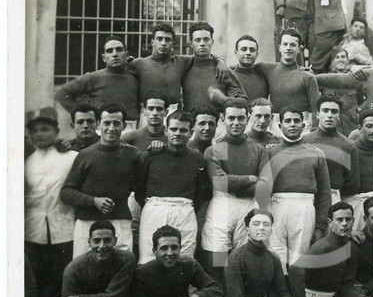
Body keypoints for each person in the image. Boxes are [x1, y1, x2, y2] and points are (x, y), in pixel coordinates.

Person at [200, 99, 272, 284]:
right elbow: (221, 183)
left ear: (248, 118)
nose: (236, 123)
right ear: (223, 119)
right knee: (217, 254)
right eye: (231, 118)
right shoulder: (216, 149)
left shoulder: (257, 150)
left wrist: (240, 188)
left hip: (248, 205)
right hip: (222, 204)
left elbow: (266, 185)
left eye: (241, 118)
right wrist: (251, 178)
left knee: (244, 255)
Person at [289, 201, 373, 297]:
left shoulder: (351, 247)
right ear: (330, 222)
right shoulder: (323, 247)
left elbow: (346, 286)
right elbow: (294, 270)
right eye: (339, 220)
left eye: (348, 219)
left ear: (353, 221)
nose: (344, 223)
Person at [60, 105, 138, 257]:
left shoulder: (133, 155)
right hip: (87, 223)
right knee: (85, 270)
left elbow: (141, 186)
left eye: (116, 123)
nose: (111, 128)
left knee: (122, 267)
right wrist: (93, 201)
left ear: (123, 126)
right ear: (99, 124)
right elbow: (66, 192)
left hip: (120, 222)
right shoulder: (84, 155)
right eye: (107, 123)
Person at [134, 110, 209, 264]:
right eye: (174, 129)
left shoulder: (197, 158)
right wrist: (153, 206)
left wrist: (187, 208)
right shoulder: (150, 155)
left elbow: (203, 191)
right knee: (149, 258)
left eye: (183, 130)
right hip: (154, 209)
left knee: (184, 259)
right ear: (166, 130)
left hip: (185, 211)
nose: (178, 133)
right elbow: (139, 188)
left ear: (190, 132)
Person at [25, 106, 78, 297]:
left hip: (64, 230)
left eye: (45, 129)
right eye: (35, 131)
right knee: (38, 281)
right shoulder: (25, 160)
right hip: (33, 233)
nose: (39, 134)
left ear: (57, 132)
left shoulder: (71, 157)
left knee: (62, 279)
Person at [266, 106, 332, 271]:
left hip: (304, 207)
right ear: (280, 126)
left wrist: (321, 225)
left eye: (296, 121)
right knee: (275, 254)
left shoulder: (316, 153)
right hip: (276, 207)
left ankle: (297, 295)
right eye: (287, 121)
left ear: (303, 125)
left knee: (300, 256)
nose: (292, 124)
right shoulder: (270, 153)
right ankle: (279, 295)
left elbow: (324, 192)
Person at [54, 35, 139, 125]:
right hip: (104, 128)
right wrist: (85, 114)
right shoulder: (93, 77)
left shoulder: (135, 75)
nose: (114, 54)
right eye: (109, 51)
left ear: (126, 55)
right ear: (103, 58)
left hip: (131, 128)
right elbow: (61, 94)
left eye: (119, 49)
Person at [310, 0, 367, 72]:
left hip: (330, 28)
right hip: (325, 27)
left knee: (317, 60)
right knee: (328, 58)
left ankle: (314, 82)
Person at [252, 29, 322, 122]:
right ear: (280, 47)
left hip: (300, 124)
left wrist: (313, 131)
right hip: (276, 124)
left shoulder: (307, 77)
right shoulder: (267, 69)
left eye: (293, 45)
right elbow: (245, 68)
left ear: (299, 49)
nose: (288, 48)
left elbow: (316, 108)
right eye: (285, 44)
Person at [303, 96, 359, 205]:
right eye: (325, 111)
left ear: (339, 116)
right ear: (318, 114)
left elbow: (353, 184)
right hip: (307, 198)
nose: (329, 115)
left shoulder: (348, 145)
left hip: (333, 199)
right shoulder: (304, 141)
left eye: (334, 112)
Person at [181, 22, 247, 114]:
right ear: (191, 43)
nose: (202, 43)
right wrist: (220, 59)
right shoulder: (184, 66)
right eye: (197, 40)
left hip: (216, 125)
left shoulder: (223, 70)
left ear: (212, 42)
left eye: (206, 39)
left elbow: (244, 102)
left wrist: (224, 100)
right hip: (190, 123)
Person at [232, 35, 269, 101]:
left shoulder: (264, 76)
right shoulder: (229, 76)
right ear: (236, 53)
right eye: (244, 49)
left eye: (252, 50)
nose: (248, 53)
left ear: (257, 54)